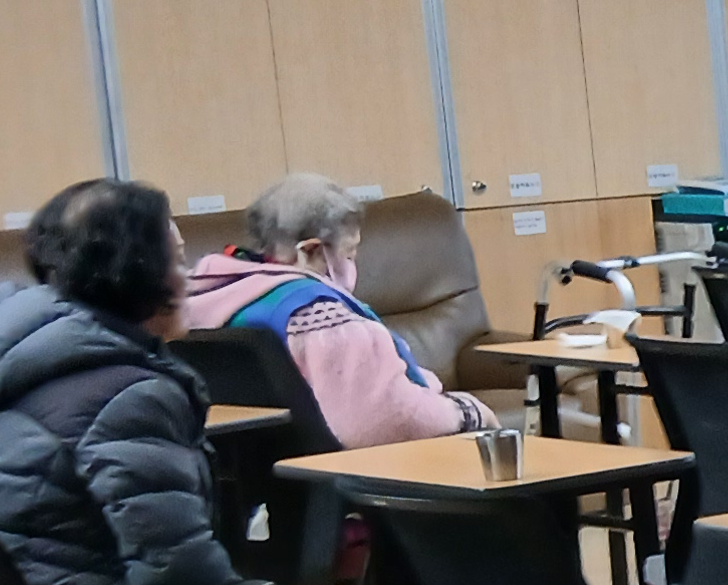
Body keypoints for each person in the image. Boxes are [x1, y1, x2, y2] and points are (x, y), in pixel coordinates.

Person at [0, 178, 244, 585]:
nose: (190, 277)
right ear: (135, 274)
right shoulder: (132, 395)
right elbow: (176, 573)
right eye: (178, 260)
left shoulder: (8, 362)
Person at [177, 174, 492, 446]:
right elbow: (384, 419)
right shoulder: (320, 317)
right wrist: (467, 411)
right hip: (360, 473)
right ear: (311, 250)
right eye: (349, 253)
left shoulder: (212, 295)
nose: (353, 265)